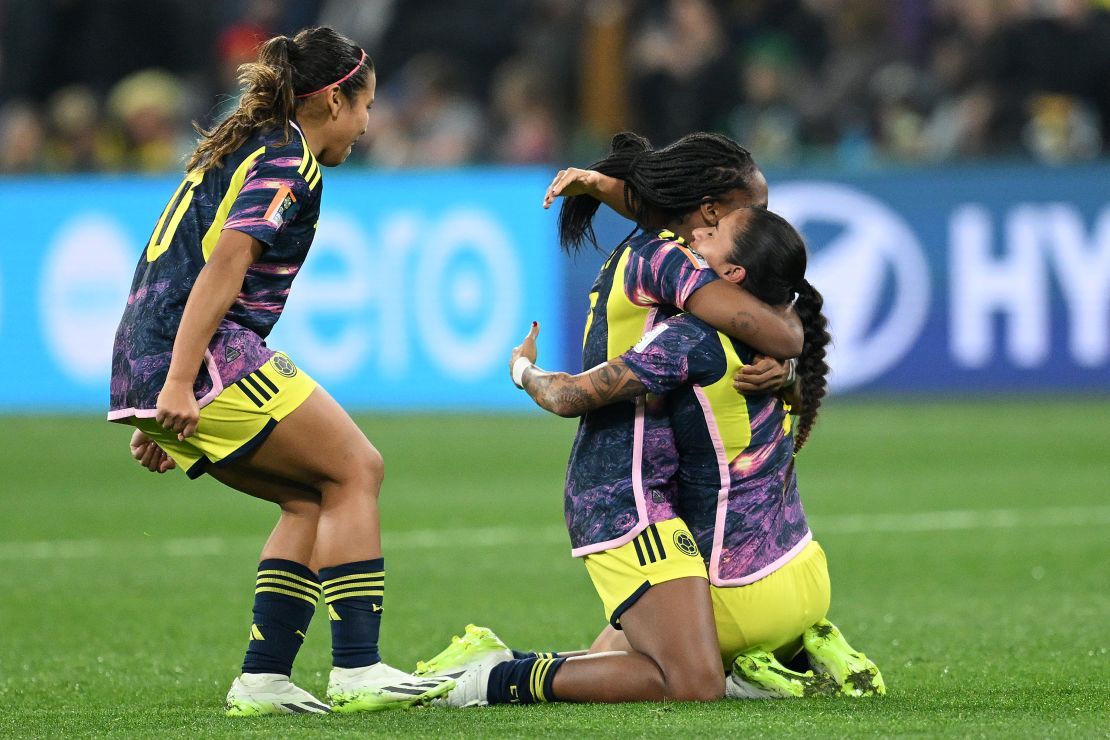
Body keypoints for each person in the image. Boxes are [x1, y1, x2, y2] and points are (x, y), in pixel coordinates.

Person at [109, 27, 453, 716]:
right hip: (200, 353)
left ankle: (264, 677)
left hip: (157, 355)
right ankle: (358, 668)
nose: (367, 123)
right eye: (364, 106)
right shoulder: (285, 160)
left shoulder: (250, 145)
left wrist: (156, 394)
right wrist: (177, 383)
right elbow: (225, 263)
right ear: (330, 100)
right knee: (358, 469)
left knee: (311, 495)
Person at [419, 207, 884, 706]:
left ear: (732, 275)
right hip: (807, 576)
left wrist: (522, 368)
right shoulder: (781, 351)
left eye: (716, 232)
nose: (699, 233)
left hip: (739, 593)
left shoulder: (689, 338)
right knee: (608, 646)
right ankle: (783, 659)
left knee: (665, 669)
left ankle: (493, 680)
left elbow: (568, 397)